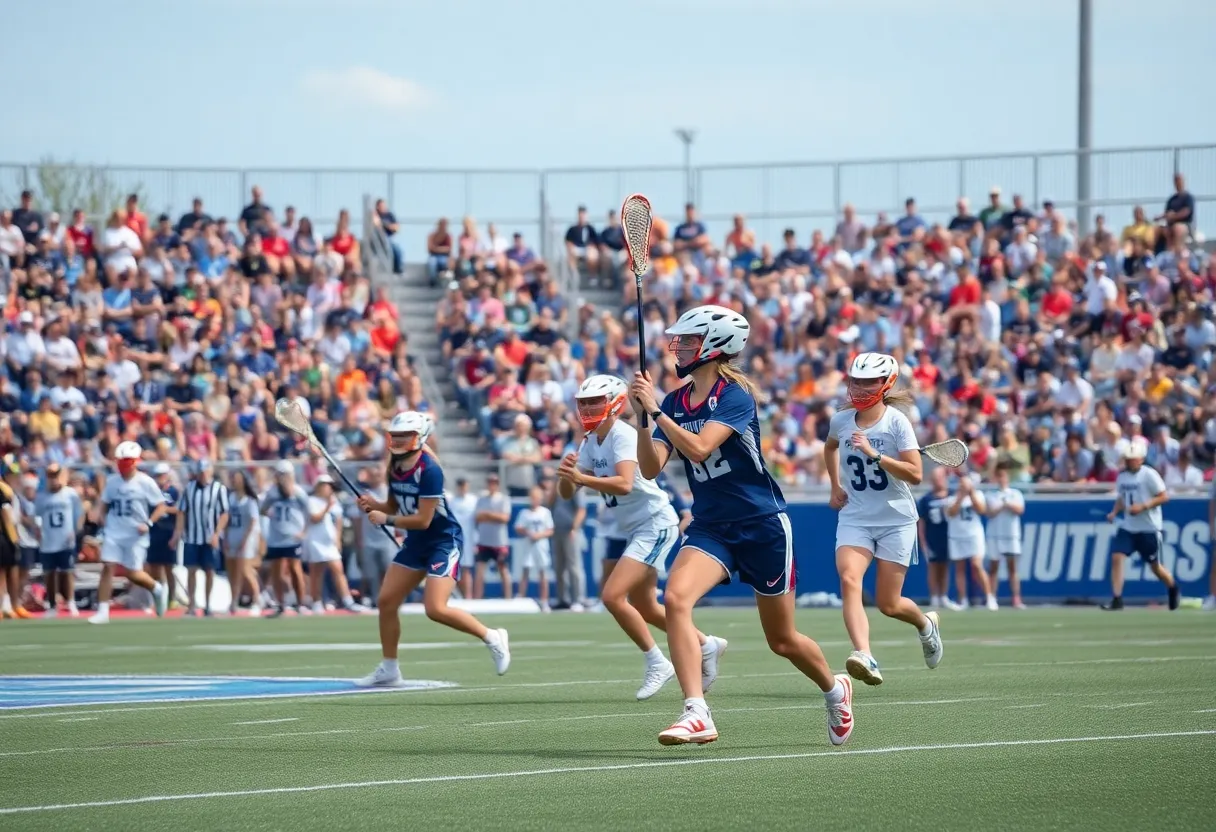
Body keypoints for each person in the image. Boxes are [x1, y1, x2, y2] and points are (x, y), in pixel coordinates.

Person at [630, 304, 853, 747]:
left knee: (783, 640)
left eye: (690, 341)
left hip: (762, 525)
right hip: (712, 525)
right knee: (675, 598)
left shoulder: (734, 396)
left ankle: (835, 689)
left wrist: (655, 413)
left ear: (714, 348)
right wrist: (641, 416)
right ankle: (696, 711)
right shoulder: (675, 400)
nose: (680, 348)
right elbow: (652, 466)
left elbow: (698, 448)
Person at [559, 374, 727, 700]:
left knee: (612, 596)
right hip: (634, 526)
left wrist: (581, 478)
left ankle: (656, 661)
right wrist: (568, 476)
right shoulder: (590, 440)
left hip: (654, 523)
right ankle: (706, 644)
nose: (588, 407)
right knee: (646, 607)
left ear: (615, 402)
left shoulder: (622, 434)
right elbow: (568, 491)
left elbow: (623, 483)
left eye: (595, 401)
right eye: (584, 402)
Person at [355, 411, 510, 687]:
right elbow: (394, 505)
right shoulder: (394, 466)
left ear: (420, 438)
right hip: (416, 542)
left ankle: (492, 636)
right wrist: (374, 504)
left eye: (407, 436)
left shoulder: (430, 470)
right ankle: (390, 668)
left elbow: (424, 519)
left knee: (435, 608)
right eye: (397, 435)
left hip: (442, 541)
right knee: (386, 601)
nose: (400, 440)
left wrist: (386, 520)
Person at [824, 352, 942, 687]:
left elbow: (916, 475)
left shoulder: (896, 423)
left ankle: (925, 624)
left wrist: (875, 454)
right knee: (849, 579)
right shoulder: (841, 421)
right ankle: (864, 653)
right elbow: (829, 448)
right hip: (856, 516)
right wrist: (835, 486)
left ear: (886, 384)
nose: (860, 388)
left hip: (895, 519)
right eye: (856, 381)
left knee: (888, 604)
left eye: (869, 381)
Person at [88, 441, 170, 624]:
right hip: (114, 531)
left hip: (135, 534)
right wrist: (98, 513)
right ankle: (103, 611)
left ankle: (156, 588)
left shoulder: (145, 482)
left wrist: (148, 523)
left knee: (133, 573)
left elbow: (161, 506)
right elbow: (105, 502)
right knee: (108, 566)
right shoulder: (112, 481)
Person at [1102, 438, 1179, 611]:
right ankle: (1117, 598)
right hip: (1129, 526)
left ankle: (1173, 587)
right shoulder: (1122, 476)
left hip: (1148, 528)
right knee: (1117, 557)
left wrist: (1143, 506)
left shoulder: (1149, 474)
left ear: (1141, 459)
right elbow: (1122, 498)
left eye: (1132, 458)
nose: (1129, 462)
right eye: (1127, 459)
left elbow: (1164, 496)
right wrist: (1115, 512)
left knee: (1155, 568)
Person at [172, 458, 229, 616]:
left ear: (210, 471)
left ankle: (208, 604)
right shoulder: (189, 488)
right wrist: (177, 534)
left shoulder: (218, 489)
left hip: (210, 537)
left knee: (210, 571)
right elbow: (182, 512)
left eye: (205, 472)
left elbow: (224, 513)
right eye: (201, 472)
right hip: (192, 537)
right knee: (191, 570)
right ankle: (191, 605)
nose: (203, 475)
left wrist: (217, 534)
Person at [302, 475, 364, 613]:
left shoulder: (333, 501)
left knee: (338, 570)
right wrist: (327, 507)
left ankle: (348, 600)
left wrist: (337, 538)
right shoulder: (312, 501)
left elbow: (338, 520)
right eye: (325, 485)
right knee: (316, 572)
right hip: (315, 540)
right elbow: (315, 518)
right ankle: (316, 601)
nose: (328, 488)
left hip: (329, 541)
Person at [260, 460, 310, 616]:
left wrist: (303, 532)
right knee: (277, 570)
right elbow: (262, 510)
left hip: (292, 536)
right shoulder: (272, 492)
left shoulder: (298, 492)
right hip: (276, 537)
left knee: (295, 569)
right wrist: (271, 516)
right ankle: (281, 603)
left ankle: (300, 603)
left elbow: (308, 513)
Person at [34, 463, 84, 617]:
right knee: (49, 573)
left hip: (65, 538)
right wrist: (38, 532)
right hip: (48, 540)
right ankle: (52, 605)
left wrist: (76, 531)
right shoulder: (41, 496)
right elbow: (37, 517)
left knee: (67, 571)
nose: (54, 480)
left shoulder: (70, 494)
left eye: (56, 476)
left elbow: (80, 514)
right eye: (51, 477)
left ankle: (70, 602)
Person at [944, 473, 997, 611]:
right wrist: (961, 496)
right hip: (957, 536)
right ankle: (963, 599)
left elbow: (981, 510)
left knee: (976, 565)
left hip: (973, 535)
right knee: (960, 568)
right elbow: (951, 513)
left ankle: (990, 597)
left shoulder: (977, 495)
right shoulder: (951, 499)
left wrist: (971, 492)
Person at [983, 462, 1026, 609]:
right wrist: (1002, 505)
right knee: (994, 568)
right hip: (995, 536)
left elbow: (1020, 509)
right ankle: (992, 598)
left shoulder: (1016, 494)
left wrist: (1007, 504)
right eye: (999, 476)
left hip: (1011, 535)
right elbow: (990, 512)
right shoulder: (991, 495)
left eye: (1004, 476)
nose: (1002, 479)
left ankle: (1016, 599)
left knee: (1012, 568)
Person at [917, 467, 959, 611]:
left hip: (950, 536)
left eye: (941, 478)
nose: (939, 481)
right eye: (936, 478)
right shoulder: (926, 499)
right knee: (934, 567)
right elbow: (921, 523)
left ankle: (943, 596)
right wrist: (923, 542)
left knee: (945, 567)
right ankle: (934, 596)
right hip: (932, 537)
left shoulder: (953, 495)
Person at [547, 472, 587, 611]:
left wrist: (574, 528)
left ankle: (578, 599)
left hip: (570, 530)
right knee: (559, 567)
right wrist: (553, 488)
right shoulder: (556, 488)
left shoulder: (574, 487)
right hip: (557, 530)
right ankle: (562, 599)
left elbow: (581, 510)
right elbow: (549, 503)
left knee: (573, 566)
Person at [224, 470, 262, 616]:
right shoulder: (231, 498)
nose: (235, 481)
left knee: (245, 570)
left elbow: (252, 522)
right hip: (232, 535)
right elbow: (226, 519)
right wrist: (226, 538)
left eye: (238, 478)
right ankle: (234, 601)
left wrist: (244, 540)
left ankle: (258, 600)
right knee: (232, 572)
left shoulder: (249, 500)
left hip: (245, 538)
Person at [145, 463, 181, 610]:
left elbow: (180, 510)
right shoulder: (151, 492)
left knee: (169, 567)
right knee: (154, 567)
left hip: (169, 531)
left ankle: (172, 598)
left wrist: (166, 509)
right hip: (155, 532)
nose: (159, 479)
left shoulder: (174, 492)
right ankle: (157, 598)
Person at [472, 473, 512, 600]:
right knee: (479, 570)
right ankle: (477, 598)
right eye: (490, 482)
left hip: (499, 542)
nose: (492, 485)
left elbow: (505, 518)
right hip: (484, 541)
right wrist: (494, 516)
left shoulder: (503, 499)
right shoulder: (482, 499)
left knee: (503, 569)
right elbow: (477, 517)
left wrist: (488, 515)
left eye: (494, 483)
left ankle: (508, 598)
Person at [514, 486, 554, 609]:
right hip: (529, 544)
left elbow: (550, 530)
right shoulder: (525, 513)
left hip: (541, 545)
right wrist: (528, 533)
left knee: (542, 572)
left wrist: (539, 535)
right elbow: (518, 527)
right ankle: (521, 596)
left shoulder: (545, 512)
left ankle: (544, 600)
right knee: (525, 570)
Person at [0, 460, 29, 619]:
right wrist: (12, 538)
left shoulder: (11, 490)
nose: (16, 478)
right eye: (13, 474)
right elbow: (5, 514)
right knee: (3, 571)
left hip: (10, 533)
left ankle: (13, 604)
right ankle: (6, 605)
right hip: (4, 534)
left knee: (13, 569)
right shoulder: (3, 489)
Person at [448, 476, 479, 600]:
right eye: (460, 485)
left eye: (464, 485)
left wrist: (476, 539)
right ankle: (455, 595)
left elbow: (477, 522)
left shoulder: (473, 500)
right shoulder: (452, 501)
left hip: (469, 539)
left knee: (466, 569)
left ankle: (468, 597)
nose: (462, 487)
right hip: (454, 539)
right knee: (453, 568)